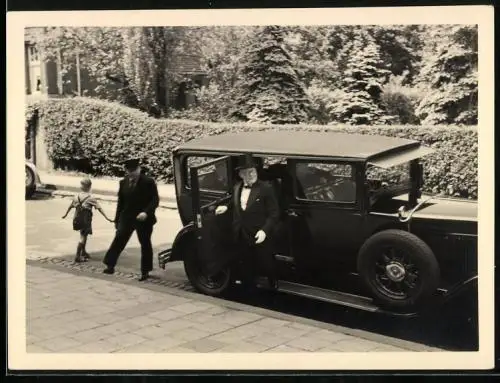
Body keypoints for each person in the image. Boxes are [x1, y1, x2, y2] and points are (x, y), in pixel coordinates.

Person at [216, 154, 280, 289]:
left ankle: (273, 286)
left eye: (253, 171)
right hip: (241, 233)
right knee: (245, 263)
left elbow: (274, 214)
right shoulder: (237, 187)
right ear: (241, 174)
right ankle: (249, 289)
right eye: (247, 172)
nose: (251, 175)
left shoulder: (265, 188)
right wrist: (226, 207)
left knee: (266, 262)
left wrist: (264, 231)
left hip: (259, 234)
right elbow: (235, 203)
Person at [102, 157, 160, 281]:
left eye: (134, 171)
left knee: (145, 243)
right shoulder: (123, 182)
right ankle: (110, 265)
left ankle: (145, 271)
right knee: (119, 239)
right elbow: (120, 203)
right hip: (127, 217)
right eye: (129, 171)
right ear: (126, 171)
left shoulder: (148, 182)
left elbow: (155, 200)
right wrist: (117, 220)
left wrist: (146, 212)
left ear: (139, 169)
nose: (131, 174)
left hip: (143, 219)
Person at [62, 177, 114, 263]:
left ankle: (83, 252)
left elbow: (70, 206)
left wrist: (65, 214)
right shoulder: (90, 198)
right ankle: (78, 256)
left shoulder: (76, 196)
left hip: (77, 218)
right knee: (83, 236)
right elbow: (99, 208)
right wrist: (107, 217)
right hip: (85, 220)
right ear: (89, 187)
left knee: (83, 234)